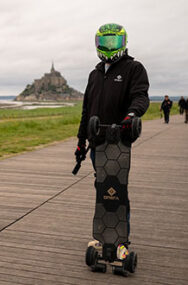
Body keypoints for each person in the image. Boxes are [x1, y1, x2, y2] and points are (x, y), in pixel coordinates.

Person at [75, 23, 149, 260]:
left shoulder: (133, 68)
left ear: (123, 43)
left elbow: (140, 97)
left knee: (117, 190)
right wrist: (80, 141)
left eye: (112, 42)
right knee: (101, 190)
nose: (108, 47)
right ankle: (103, 237)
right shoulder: (94, 74)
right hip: (97, 142)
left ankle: (121, 241)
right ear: (97, 44)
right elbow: (87, 111)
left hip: (119, 141)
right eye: (103, 42)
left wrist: (131, 115)